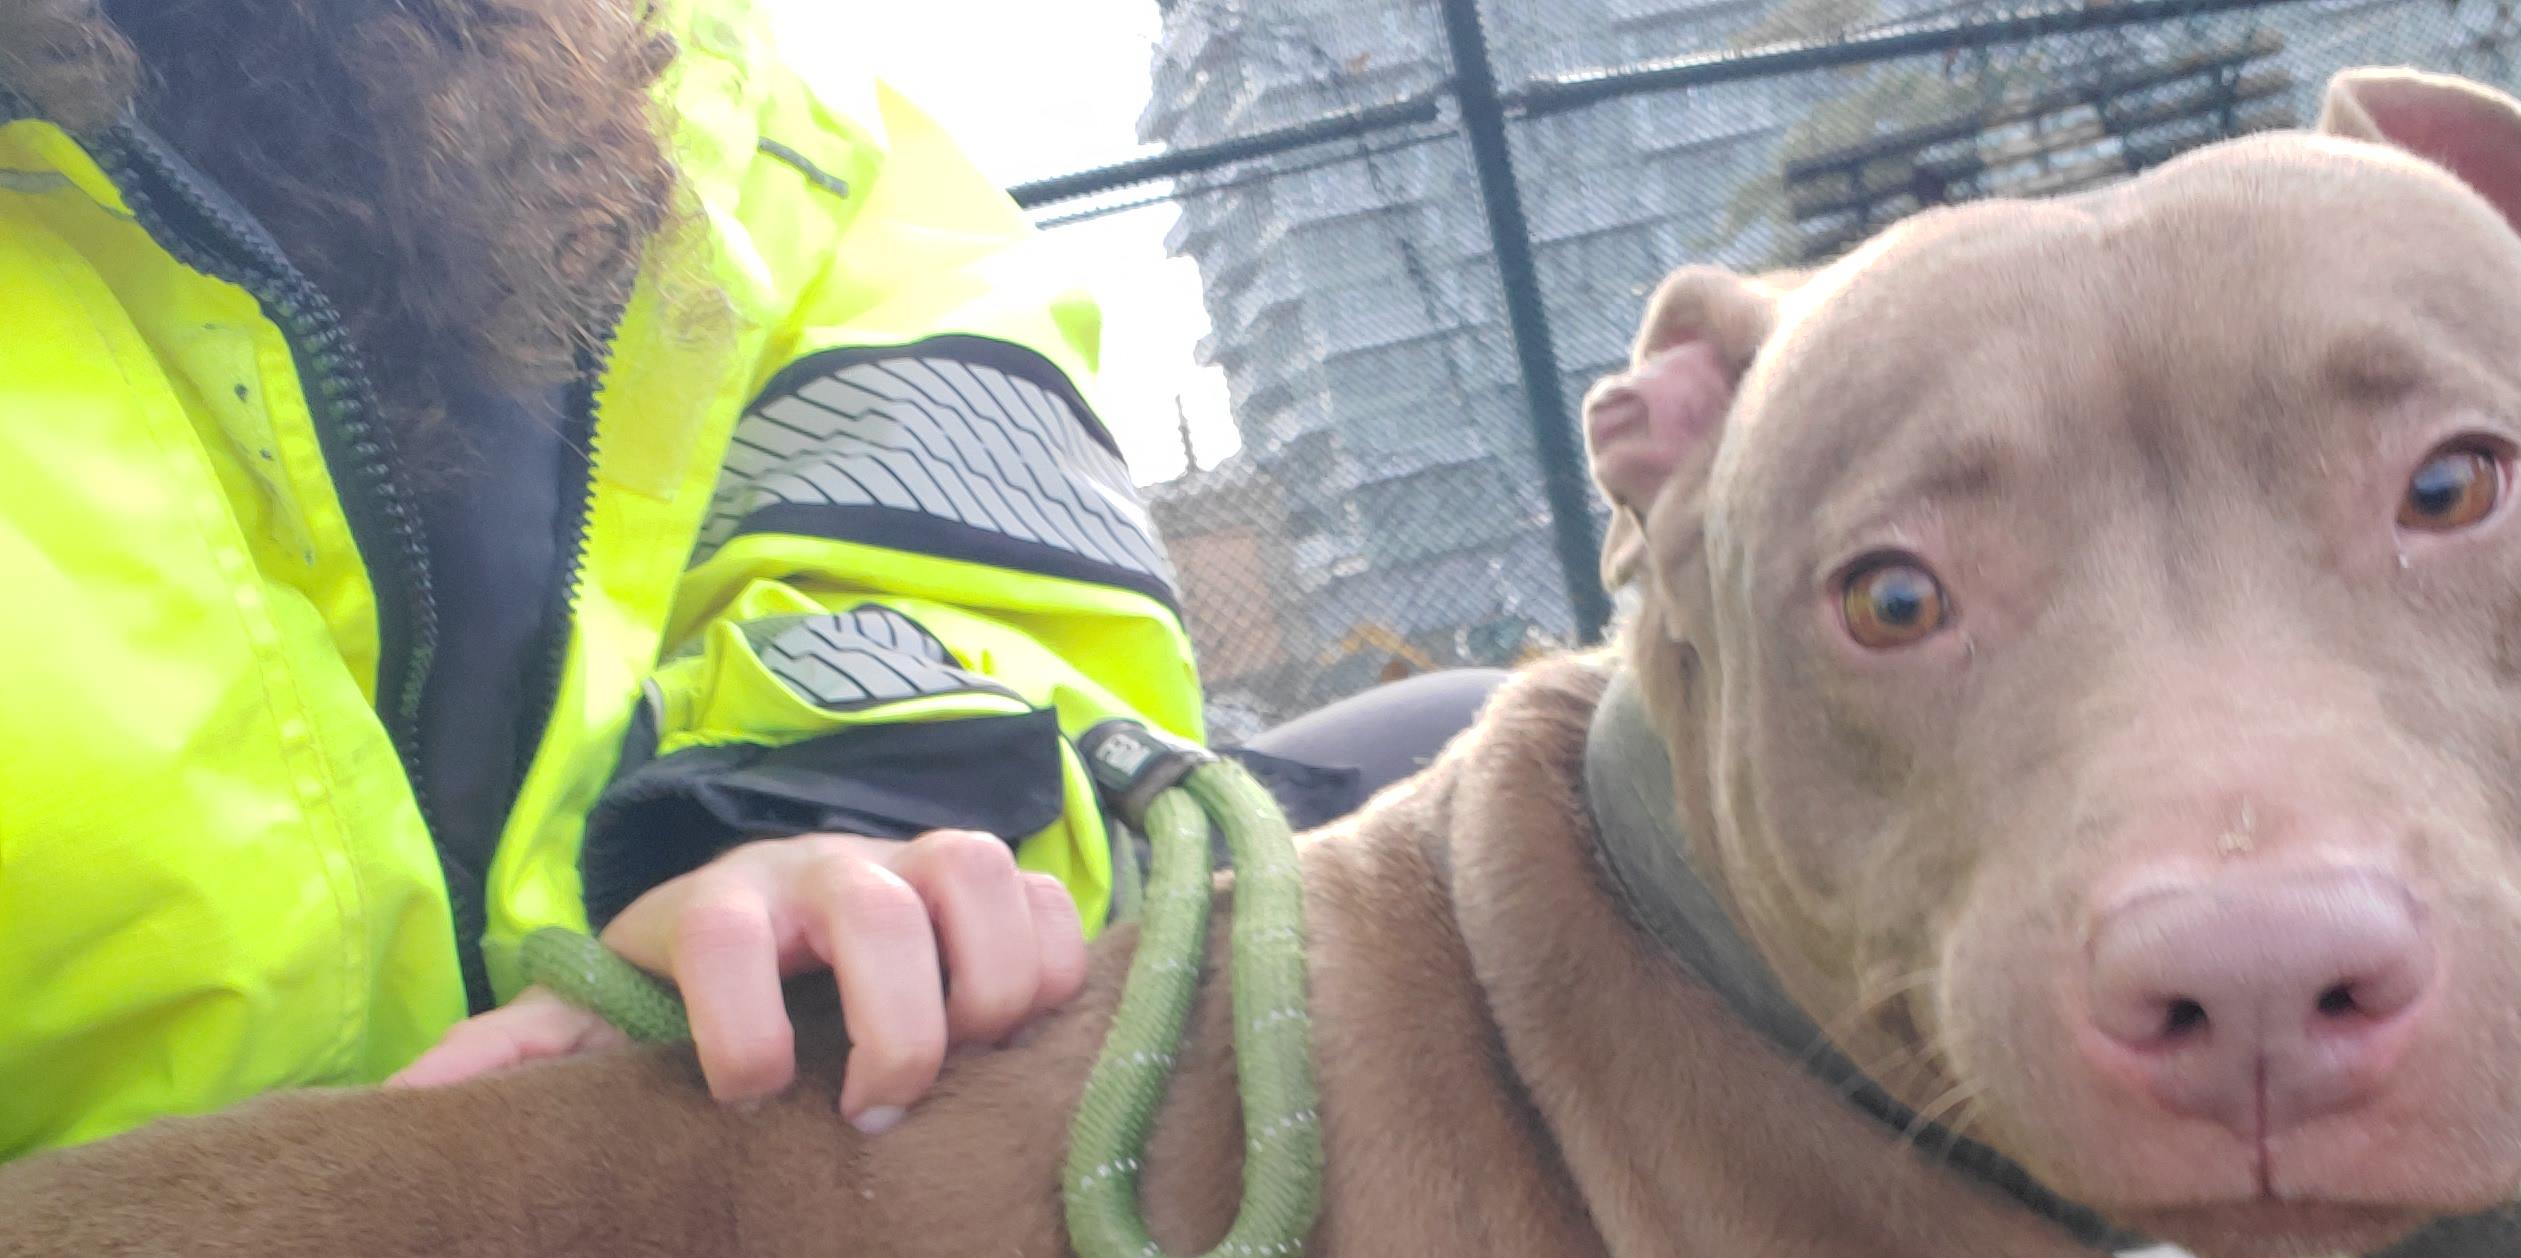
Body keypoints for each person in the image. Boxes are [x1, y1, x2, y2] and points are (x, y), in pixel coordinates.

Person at [0, 0, 1496, 1162]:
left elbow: (947, 471)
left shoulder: (717, 89)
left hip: (708, 1151)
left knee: (1479, 787)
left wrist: (825, 822)